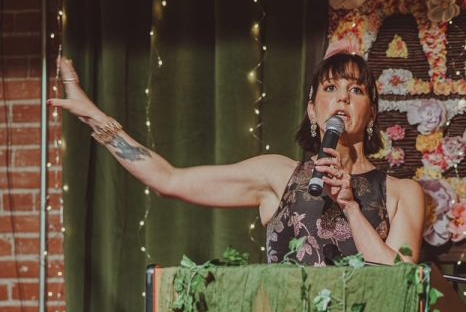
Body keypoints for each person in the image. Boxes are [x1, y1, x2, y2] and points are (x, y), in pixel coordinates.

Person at [50, 51, 425, 265]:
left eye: (356, 90)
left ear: (371, 113)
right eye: (330, 87)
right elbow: (168, 179)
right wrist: (93, 116)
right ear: (312, 111)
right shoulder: (277, 174)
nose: (342, 97)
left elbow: (403, 285)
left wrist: (351, 209)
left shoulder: (402, 193)